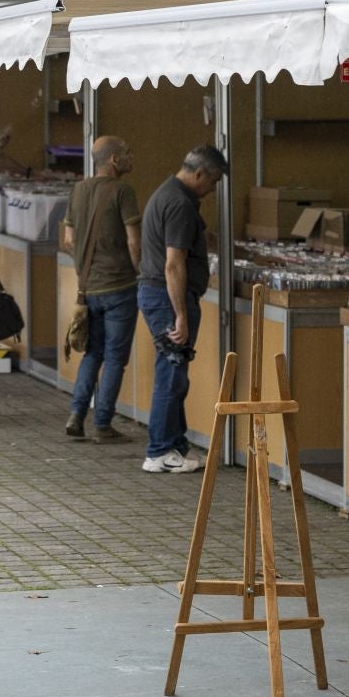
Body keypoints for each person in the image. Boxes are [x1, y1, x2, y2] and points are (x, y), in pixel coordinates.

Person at [136, 145, 227, 474]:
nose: (214, 188)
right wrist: (181, 316)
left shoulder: (169, 195)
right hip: (167, 297)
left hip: (159, 294)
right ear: (199, 173)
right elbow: (173, 266)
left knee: (175, 374)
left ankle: (174, 445)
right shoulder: (179, 204)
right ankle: (159, 451)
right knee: (171, 373)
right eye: (213, 181)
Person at [62, 136, 142, 443]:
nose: (131, 157)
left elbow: (68, 240)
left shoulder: (79, 190)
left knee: (92, 353)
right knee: (114, 357)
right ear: (113, 160)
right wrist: (141, 272)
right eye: (127, 153)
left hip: (88, 288)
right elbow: (133, 240)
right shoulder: (123, 191)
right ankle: (104, 423)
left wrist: (85, 267)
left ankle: (76, 414)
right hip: (120, 286)